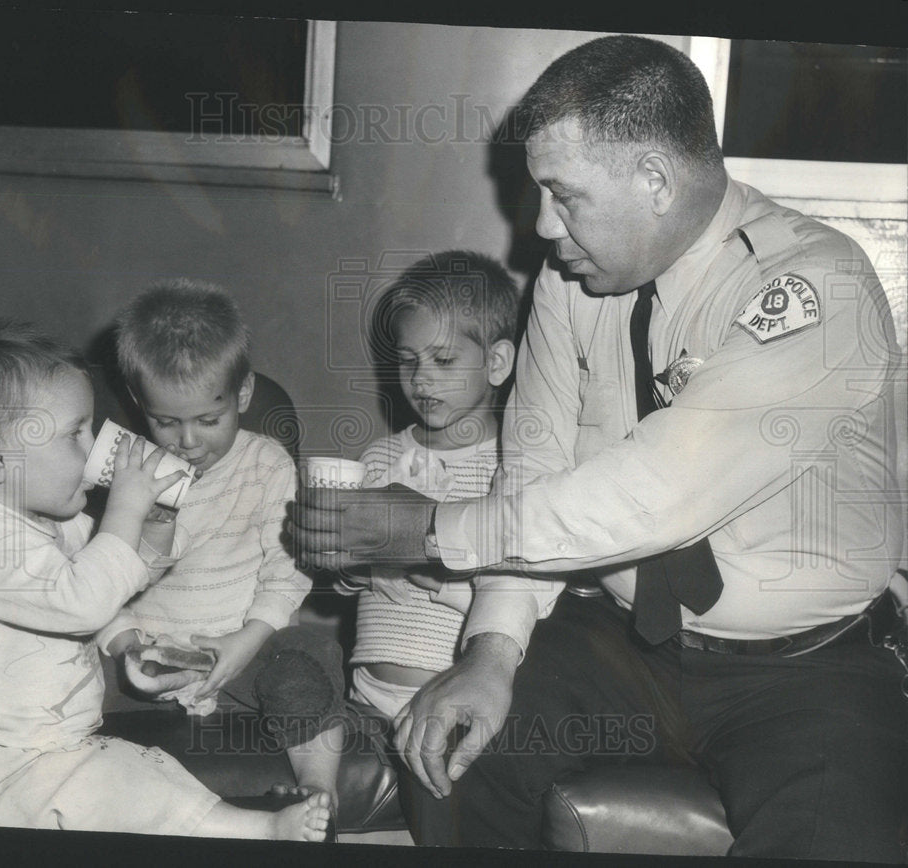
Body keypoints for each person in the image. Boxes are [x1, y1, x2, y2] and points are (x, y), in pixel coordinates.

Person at [292, 35, 907, 862]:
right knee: (452, 754)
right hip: (626, 644)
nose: (542, 225)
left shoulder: (812, 285)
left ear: (655, 180)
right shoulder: (568, 281)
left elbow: (659, 491)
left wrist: (427, 529)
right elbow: (533, 469)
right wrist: (491, 652)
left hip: (810, 670)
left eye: (563, 194)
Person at [0, 318, 331, 839]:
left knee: (143, 777)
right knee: (122, 783)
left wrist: (153, 523)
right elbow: (85, 602)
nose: (94, 450)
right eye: (75, 434)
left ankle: (249, 826)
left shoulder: (50, 522)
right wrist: (125, 508)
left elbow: (127, 572)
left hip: (53, 752)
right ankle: (257, 832)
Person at [96, 279, 346, 809]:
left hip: (243, 651)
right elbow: (100, 582)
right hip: (147, 651)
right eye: (166, 421)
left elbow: (286, 575)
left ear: (244, 395)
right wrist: (127, 647)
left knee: (308, 656)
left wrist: (246, 643)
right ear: (139, 402)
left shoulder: (267, 465)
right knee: (61, 669)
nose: (188, 442)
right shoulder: (129, 471)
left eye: (209, 420)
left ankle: (317, 788)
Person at [335, 250, 518, 720]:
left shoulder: (510, 469)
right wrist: (359, 567)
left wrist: (433, 575)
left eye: (444, 359)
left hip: (452, 706)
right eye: (407, 361)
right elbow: (341, 575)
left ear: (497, 362)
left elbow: (518, 603)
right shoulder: (379, 458)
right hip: (365, 695)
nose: (420, 379)